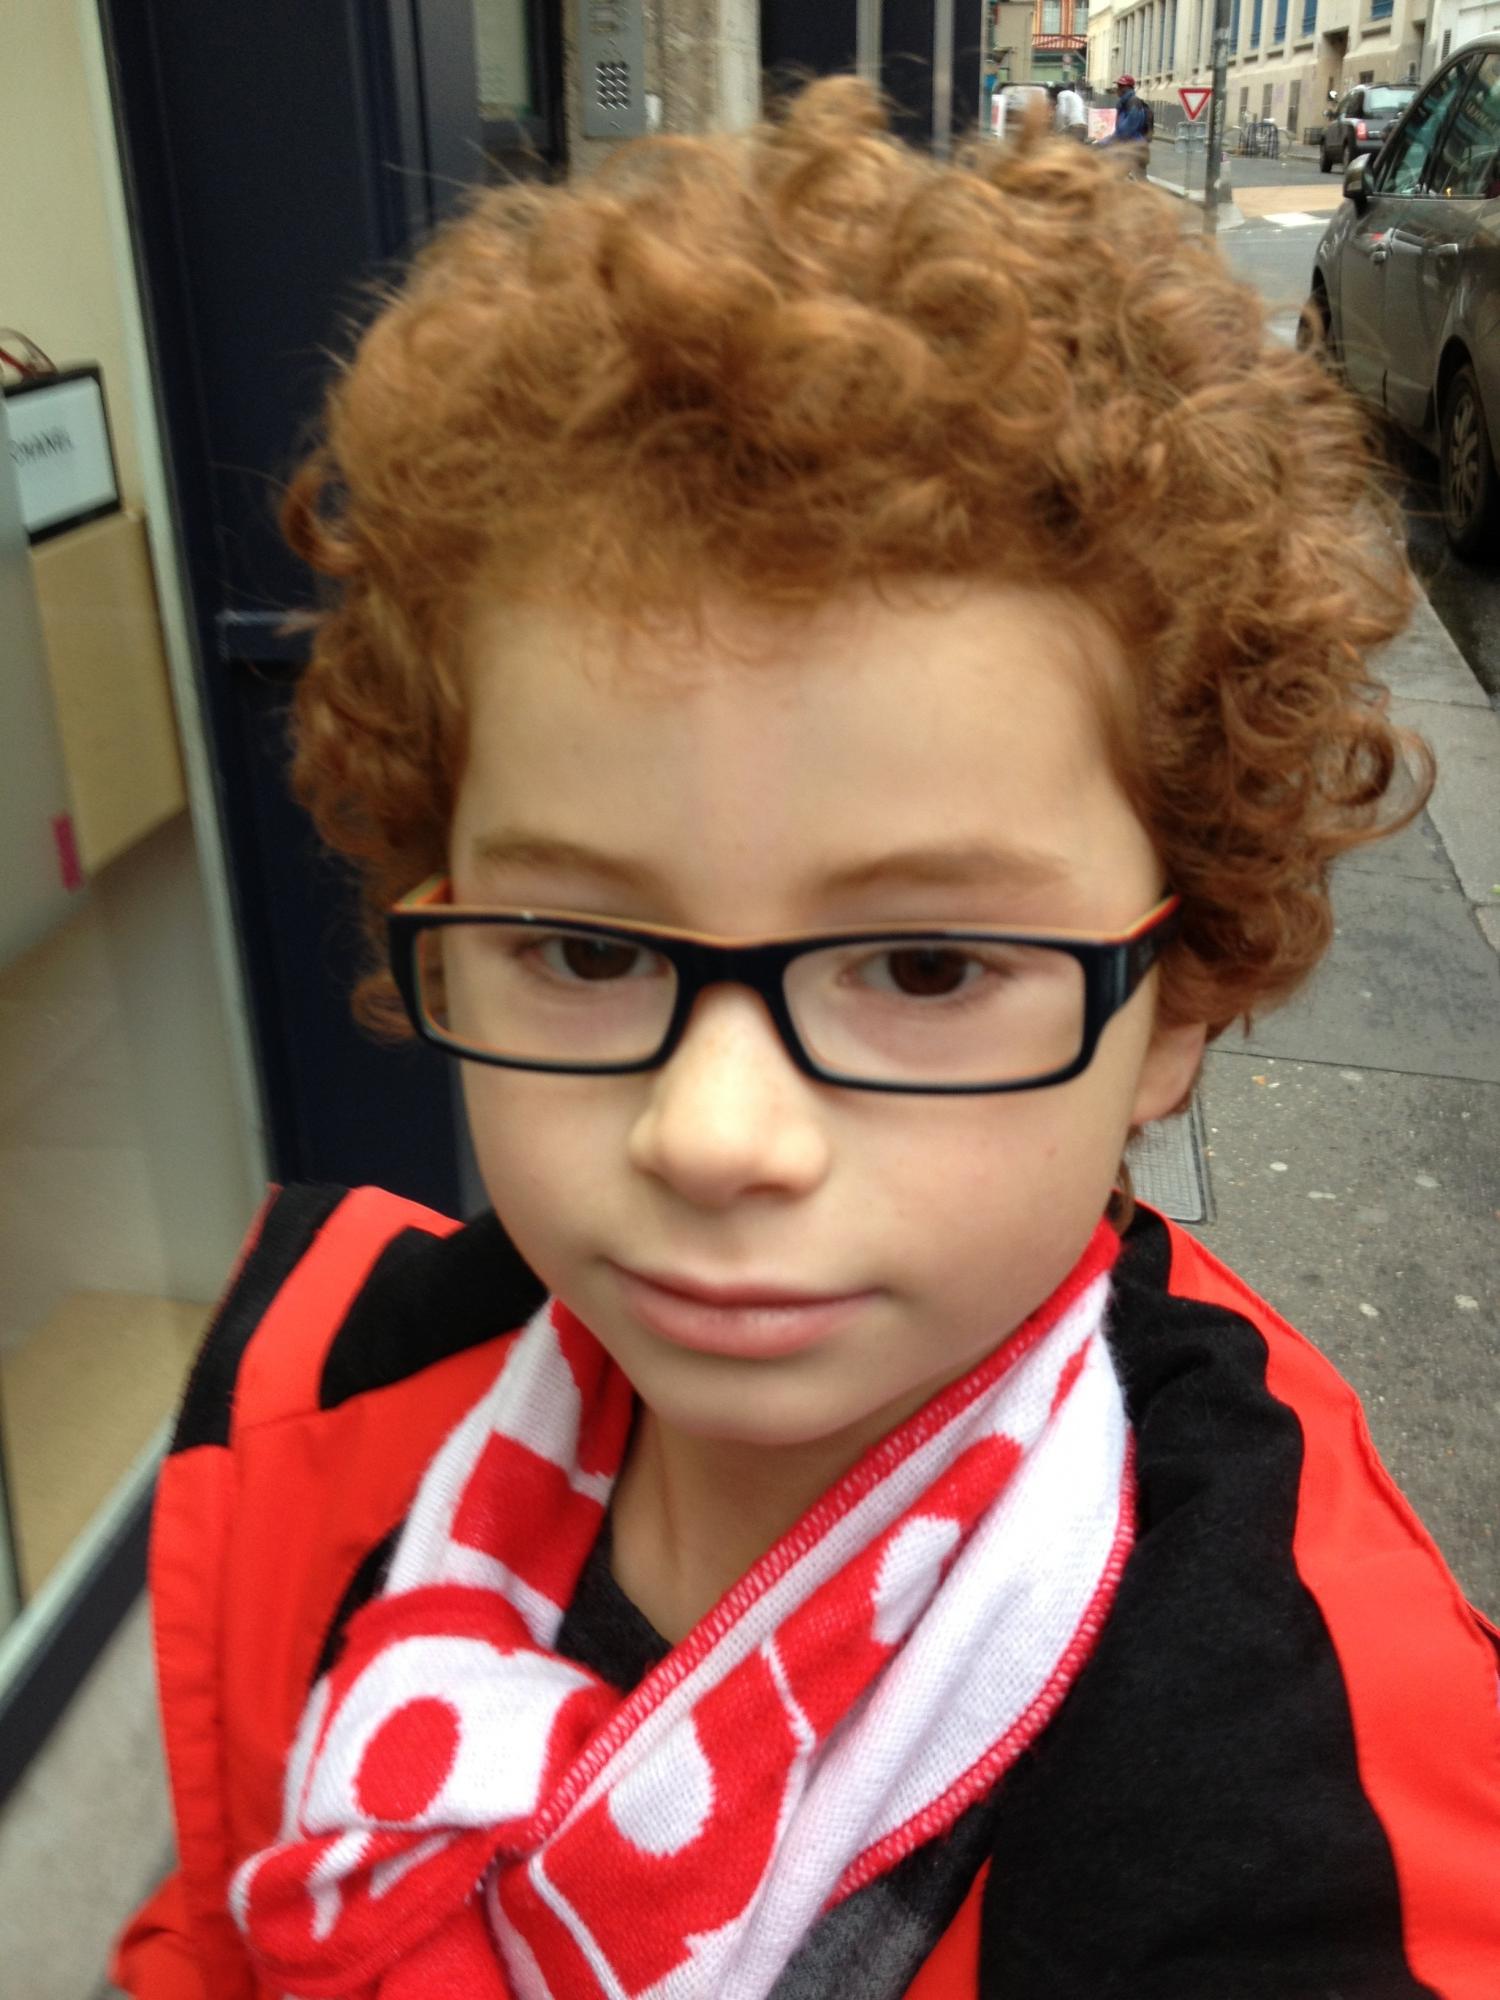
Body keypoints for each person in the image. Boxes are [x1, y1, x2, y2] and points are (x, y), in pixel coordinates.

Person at [112, 76, 1500, 2000]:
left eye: (924, 968)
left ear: (1177, 1002)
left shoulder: (1307, 1819)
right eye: (585, 946)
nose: (716, 1132)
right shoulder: (317, 1412)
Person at [1054, 75, 1088, 140]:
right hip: (1084, 127)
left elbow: (1062, 112)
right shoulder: (1077, 96)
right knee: (1078, 146)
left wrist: (1058, 130)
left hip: (1074, 127)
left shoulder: (1062, 94)